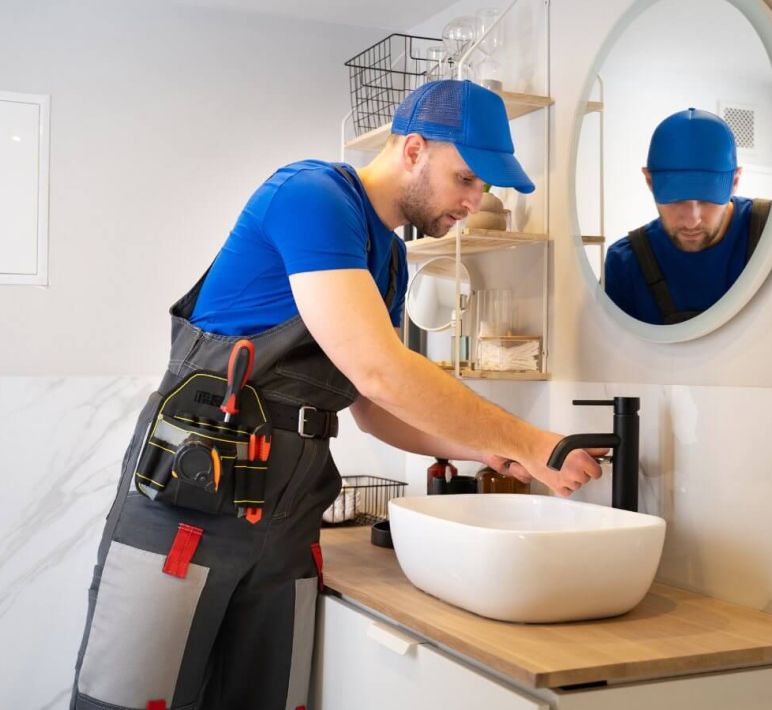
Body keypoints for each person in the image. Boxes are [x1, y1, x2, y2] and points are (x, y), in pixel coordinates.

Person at [70, 80, 605, 710]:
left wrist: (482, 451)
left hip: (287, 523)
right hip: (190, 505)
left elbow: (373, 409)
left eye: (483, 187)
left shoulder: (391, 264)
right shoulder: (311, 196)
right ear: (413, 150)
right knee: (129, 701)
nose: (474, 200)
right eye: (466, 179)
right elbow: (379, 370)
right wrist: (531, 440)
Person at [604, 108, 771, 325]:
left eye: (707, 200)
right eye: (676, 200)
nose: (692, 220)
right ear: (649, 182)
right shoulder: (625, 263)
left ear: (735, 181)